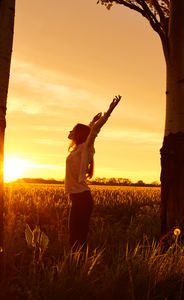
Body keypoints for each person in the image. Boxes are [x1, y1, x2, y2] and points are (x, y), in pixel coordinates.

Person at [65, 95, 121, 249]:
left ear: (78, 134)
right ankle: (77, 263)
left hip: (82, 198)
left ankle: (79, 264)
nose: (70, 131)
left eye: (73, 130)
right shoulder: (77, 149)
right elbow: (89, 130)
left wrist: (109, 111)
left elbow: (94, 131)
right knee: (75, 234)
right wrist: (91, 121)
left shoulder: (85, 148)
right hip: (77, 198)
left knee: (78, 235)